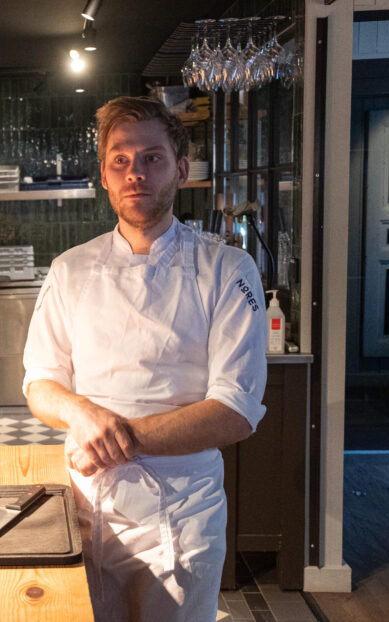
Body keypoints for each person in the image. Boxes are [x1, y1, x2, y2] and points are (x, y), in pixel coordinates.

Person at [22, 96, 268, 622]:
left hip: (181, 518)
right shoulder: (70, 269)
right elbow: (40, 381)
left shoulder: (227, 268)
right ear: (106, 176)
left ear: (180, 170)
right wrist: (82, 414)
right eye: (121, 161)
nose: (135, 173)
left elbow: (235, 410)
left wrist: (112, 441)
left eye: (152, 158)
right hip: (84, 507)